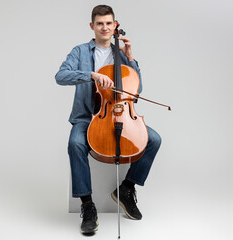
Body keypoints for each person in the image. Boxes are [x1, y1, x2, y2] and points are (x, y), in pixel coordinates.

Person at [55, 5, 161, 234]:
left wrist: (131, 59)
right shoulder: (80, 52)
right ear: (92, 26)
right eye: (100, 23)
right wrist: (91, 75)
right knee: (75, 144)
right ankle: (87, 205)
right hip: (86, 117)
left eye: (108, 23)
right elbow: (60, 76)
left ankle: (126, 188)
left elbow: (137, 89)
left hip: (119, 113)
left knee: (154, 139)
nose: (104, 27)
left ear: (115, 26)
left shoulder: (122, 55)